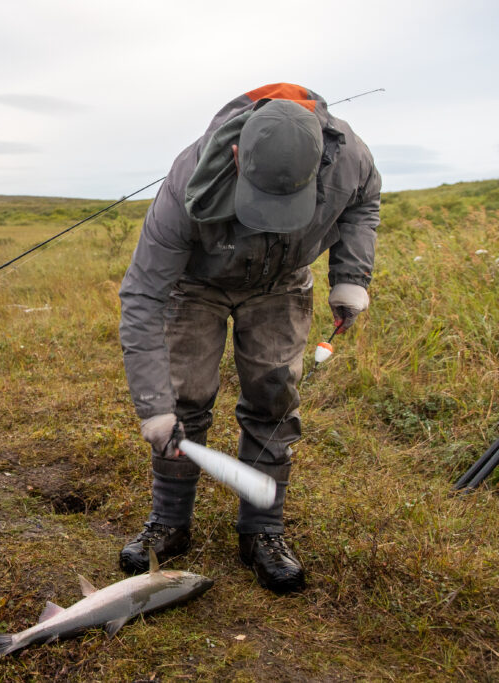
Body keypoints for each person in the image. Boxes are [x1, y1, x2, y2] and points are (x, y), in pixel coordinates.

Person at [117, 84, 381, 594]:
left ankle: (263, 531)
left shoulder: (350, 159)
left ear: (319, 165)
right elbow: (144, 296)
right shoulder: (187, 179)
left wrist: (351, 277)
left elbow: (363, 206)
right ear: (237, 155)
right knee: (184, 396)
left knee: (273, 397)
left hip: (282, 283)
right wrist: (154, 407)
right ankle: (170, 521)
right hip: (197, 285)